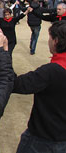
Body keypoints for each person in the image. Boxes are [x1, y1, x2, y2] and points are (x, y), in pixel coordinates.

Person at [13, 21, 66, 153]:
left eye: (50, 37)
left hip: (43, 137)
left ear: (56, 41)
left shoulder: (51, 71)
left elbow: (17, 84)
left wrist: (2, 52)